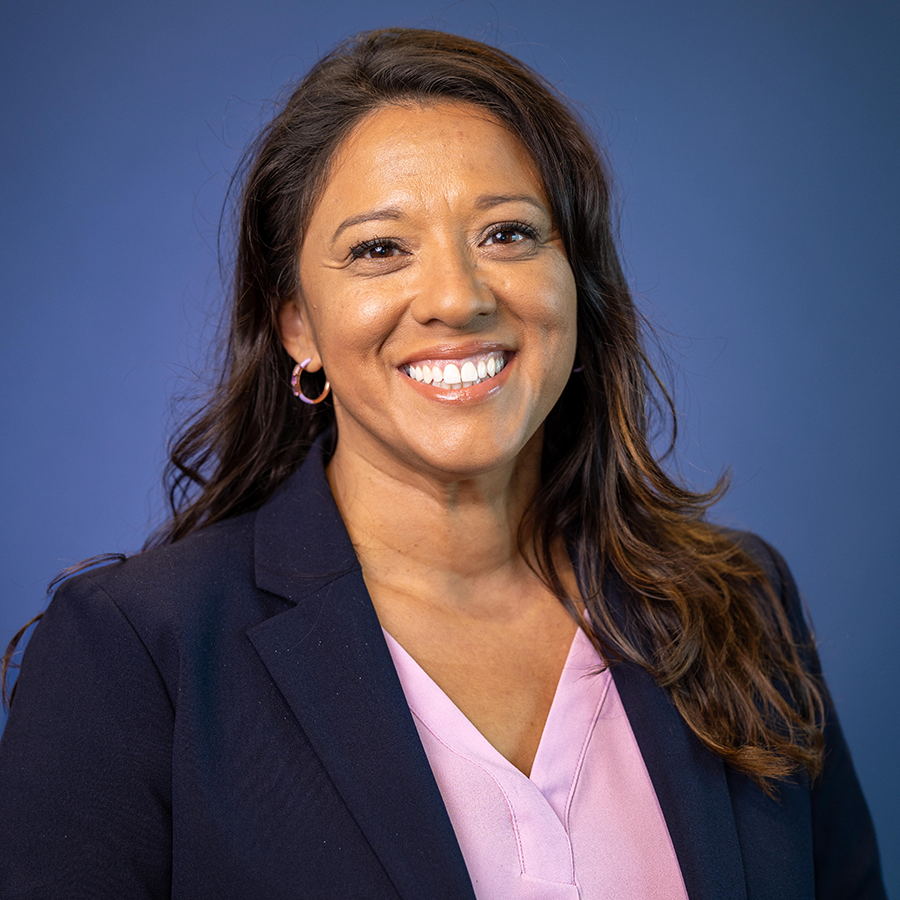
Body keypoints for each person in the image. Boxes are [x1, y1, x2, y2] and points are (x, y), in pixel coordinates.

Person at [0, 27, 885, 900]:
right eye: (381, 249)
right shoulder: (134, 652)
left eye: (507, 234)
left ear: (576, 281)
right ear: (296, 325)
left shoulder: (740, 602)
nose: (459, 298)